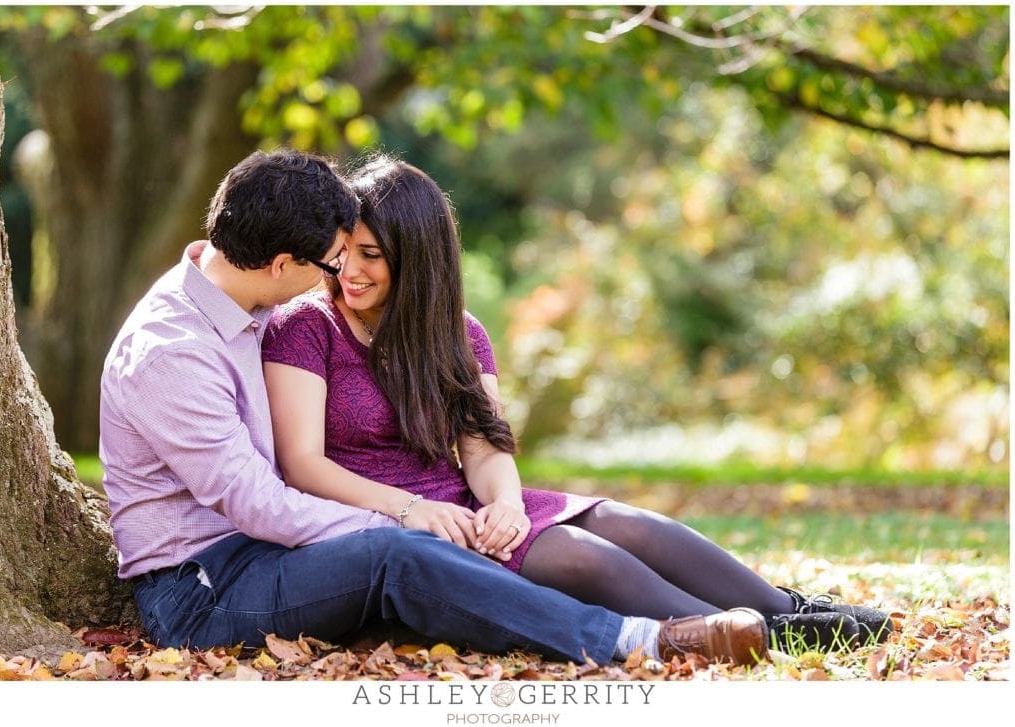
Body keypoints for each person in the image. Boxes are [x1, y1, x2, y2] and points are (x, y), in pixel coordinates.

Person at [99, 147, 772, 668]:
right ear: (281, 265)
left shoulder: (238, 301)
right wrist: (405, 513)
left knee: (444, 544)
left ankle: (780, 614)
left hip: (262, 554)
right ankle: (645, 639)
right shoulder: (173, 352)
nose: (336, 277)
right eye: (329, 261)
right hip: (203, 588)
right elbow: (259, 503)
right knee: (397, 553)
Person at [261, 155, 895, 653]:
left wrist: (505, 501)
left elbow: (484, 444)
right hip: (385, 524)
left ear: (419, 260)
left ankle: (794, 610)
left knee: (626, 522)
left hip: (463, 507)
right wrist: (413, 508)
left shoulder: (456, 331)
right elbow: (302, 464)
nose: (352, 273)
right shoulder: (306, 329)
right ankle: (752, 634)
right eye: (346, 255)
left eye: (374, 257)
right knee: (578, 555)